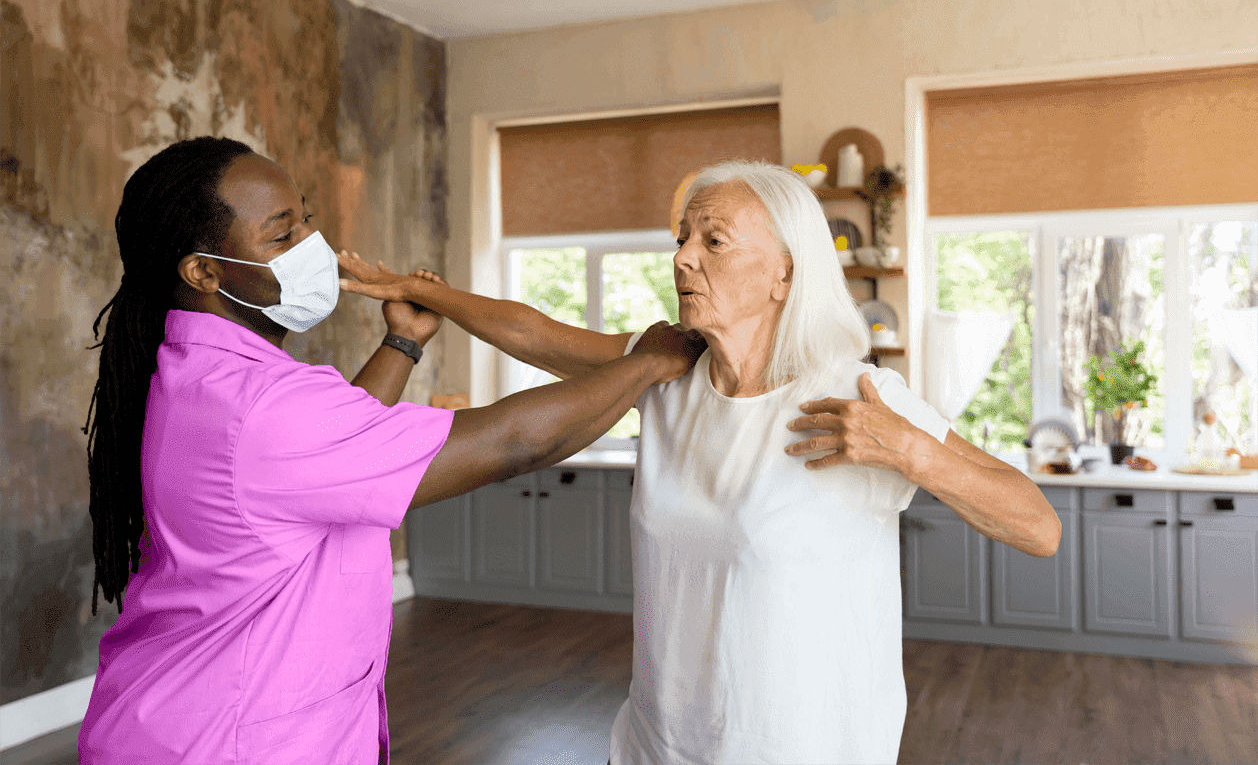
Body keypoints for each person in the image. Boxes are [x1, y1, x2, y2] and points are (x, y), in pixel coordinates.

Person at [337, 159, 1061, 764]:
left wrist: (913, 451)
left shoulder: (857, 394)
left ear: (785, 274)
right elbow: (536, 333)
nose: (682, 256)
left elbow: (1038, 524)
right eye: (683, 237)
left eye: (714, 240)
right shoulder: (666, 370)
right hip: (658, 743)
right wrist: (422, 293)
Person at [77, 136, 704, 764]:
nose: (311, 250)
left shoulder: (203, 374)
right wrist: (645, 366)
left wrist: (401, 344)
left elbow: (336, 450)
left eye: (305, 223)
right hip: (228, 739)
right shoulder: (264, 408)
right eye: (280, 237)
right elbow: (511, 442)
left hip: (175, 713)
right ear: (205, 271)